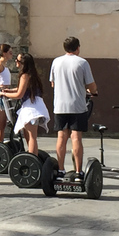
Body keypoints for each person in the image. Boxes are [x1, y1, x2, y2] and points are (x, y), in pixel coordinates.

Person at [50, 36, 98, 181]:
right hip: (77, 105)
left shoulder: (56, 62)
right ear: (77, 48)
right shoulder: (82, 62)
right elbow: (91, 85)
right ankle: (78, 172)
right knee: (76, 137)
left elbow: (52, 83)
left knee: (61, 137)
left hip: (60, 105)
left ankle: (60, 170)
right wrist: (92, 92)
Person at [0, 53, 49, 155]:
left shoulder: (25, 76)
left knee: (31, 136)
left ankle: (32, 158)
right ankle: (33, 156)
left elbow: (19, 94)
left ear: (23, 63)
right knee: (29, 135)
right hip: (36, 105)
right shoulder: (32, 75)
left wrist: (4, 94)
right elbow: (22, 89)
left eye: (17, 60)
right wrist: (10, 90)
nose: (16, 62)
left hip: (31, 108)